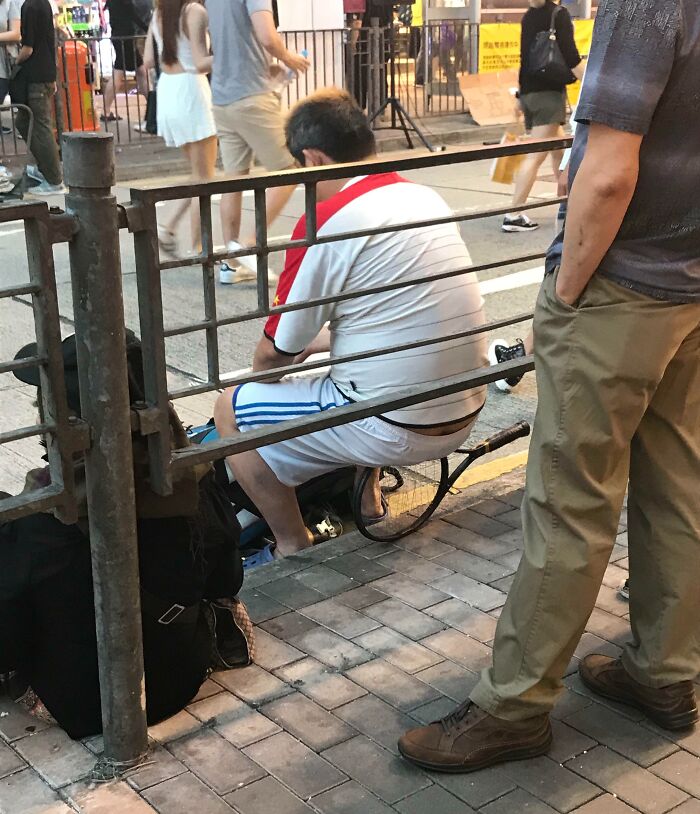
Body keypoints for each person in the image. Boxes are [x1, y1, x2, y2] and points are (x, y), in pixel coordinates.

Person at [399, 0, 700, 773]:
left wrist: (566, 295)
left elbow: (606, 172)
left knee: (570, 499)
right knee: (677, 487)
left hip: (621, 287)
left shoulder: (647, 8)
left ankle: (514, 707)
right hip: (692, 290)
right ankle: (665, 675)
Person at [213, 89, 488, 561]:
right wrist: (320, 345)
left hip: (401, 424)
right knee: (350, 371)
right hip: (465, 407)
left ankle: (291, 543)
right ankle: (368, 501)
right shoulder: (422, 197)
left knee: (231, 409)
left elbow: (273, 353)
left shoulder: (328, 220)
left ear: (313, 157)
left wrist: (270, 384)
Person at [0, 331, 251, 739]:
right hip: (179, 677)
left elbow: (6, 644)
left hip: (86, 704)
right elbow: (226, 580)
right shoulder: (190, 479)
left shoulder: (38, 523)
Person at [204, 0, 309, 285]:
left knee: (234, 179)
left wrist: (265, 66)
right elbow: (266, 35)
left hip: (223, 97)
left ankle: (230, 265)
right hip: (251, 97)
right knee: (291, 169)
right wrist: (289, 58)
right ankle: (248, 244)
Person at [502, 0, 583, 233]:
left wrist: (520, 94)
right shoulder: (559, 14)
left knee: (559, 151)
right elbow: (570, 56)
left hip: (530, 93)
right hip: (548, 95)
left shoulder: (529, 15)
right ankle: (513, 214)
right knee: (535, 156)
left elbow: (523, 58)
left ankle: (566, 205)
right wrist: (592, 80)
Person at [144, 0, 217, 255]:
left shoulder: (158, 13)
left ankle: (181, 234)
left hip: (169, 89)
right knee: (205, 178)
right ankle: (187, 238)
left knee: (199, 174)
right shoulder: (194, 11)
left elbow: (148, 59)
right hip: (191, 90)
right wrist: (228, 53)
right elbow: (199, 62)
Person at [12, 0, 65, 196]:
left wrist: (15, 63)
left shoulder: (30, 6)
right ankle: (45, 168)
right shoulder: (44, 4)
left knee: (40, 126)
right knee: (24, 122)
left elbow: (28, 48)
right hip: (46, 73)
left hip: (35, 76)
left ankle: (54, 180)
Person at [101, 0, 150, 128]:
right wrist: (147, 29)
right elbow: (132, 14)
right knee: (120, 73)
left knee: (140, 72)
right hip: (125, 38)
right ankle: (105, 111)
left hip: (120, 37)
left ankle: (152, 107)